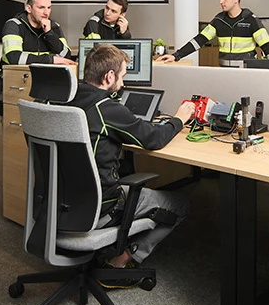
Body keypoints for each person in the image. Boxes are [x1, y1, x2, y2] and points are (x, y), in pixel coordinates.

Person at [68, 43, 195, 287]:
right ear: (109, 76)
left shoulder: (63, 101)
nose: (124, 84)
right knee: (180, 204)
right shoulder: (107, 109)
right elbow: (154, 139)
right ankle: (121, 261)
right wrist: (179, 118)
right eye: (123, 77)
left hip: (58, 202)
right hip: (99, 207)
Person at [0, 0, 74, 115]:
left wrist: (49, 34)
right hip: (16, 82)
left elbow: (66, 55)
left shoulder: (54, 26)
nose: (46, 12)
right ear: (29, 8)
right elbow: (14, 57)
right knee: (14, 123)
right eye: (41, 8)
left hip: (44, 83)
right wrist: (52, 60)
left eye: (49, 8)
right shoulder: (14, 25)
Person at [155, 0, 269, 67]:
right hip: (223, 72)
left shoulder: (251, 20)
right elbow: (199, 40)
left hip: (246, 72)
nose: (221, 2)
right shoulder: (219, 20)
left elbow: (267, 45)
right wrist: (176, 56)